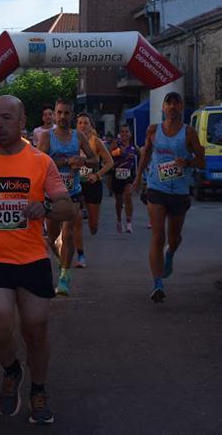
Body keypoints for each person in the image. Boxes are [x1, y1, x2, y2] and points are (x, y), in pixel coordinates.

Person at [0, 95, 75, 425]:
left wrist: (47, 208)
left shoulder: (40, 162)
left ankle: (38, 390)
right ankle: (11, 370)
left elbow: (67, 206)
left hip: (32, 258)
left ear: (22, 121)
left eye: (7, 118)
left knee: (36, 330)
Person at [134, 91, 205, 303]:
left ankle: (171, 254)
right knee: (158, 236)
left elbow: (202, 162)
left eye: (177, 103)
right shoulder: (153, 130)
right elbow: (146, 154)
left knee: (173, 239)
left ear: (182, 107)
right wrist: (138, 178)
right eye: (169, 103)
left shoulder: (189, 133)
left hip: (180, 191)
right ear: (163, 108)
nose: (172, 107)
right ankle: (157, 285)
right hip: (156, 187)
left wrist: (188, 162)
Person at [37, 98, 98, 296]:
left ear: (71, 115)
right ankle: (61, 256)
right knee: (53, 238)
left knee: (69, 233)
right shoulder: (47, 137)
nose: (63, 117)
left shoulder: (78, 136)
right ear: (54, 115)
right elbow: (39, 162)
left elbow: (94, 160)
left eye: (66, 113)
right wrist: (65, 161)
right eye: (59, 113)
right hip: (52, 195)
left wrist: (81, 160)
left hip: (73, 192)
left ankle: (64, 275)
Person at [74, 113, 114, 267]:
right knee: (76, 220)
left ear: (91, 125)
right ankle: (81, 255)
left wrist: (97, 175)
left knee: (93, 225)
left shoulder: (95, 141)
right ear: (76, 125)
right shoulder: (72, 140)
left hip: (92, 184)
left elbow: (109, 162)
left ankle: (92, 223)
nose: (83, 125)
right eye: (80, 122)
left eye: (85, 122)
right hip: (76, 184)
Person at [110, 124, 139, 233]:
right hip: (117, 175)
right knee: (118, 200)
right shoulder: (115, 144)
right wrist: (116, 152)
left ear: (130, 134)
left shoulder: (134, 147)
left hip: (129, 175)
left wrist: (139, 177)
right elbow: (108, 155)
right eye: (122, 132)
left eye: (126, 131)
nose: (124, 134)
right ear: (119, 134)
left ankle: (129, 222)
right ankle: (118, 219)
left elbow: (141, 159)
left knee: (128, 195)